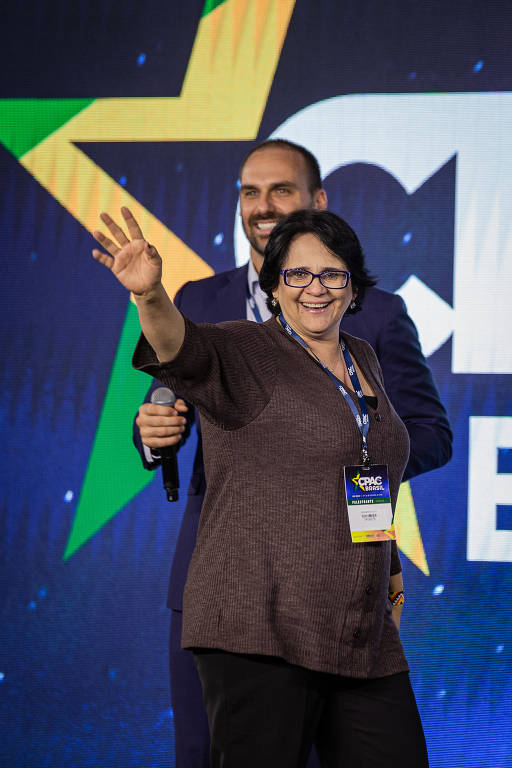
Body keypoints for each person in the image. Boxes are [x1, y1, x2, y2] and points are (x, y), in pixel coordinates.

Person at [132, 139, 451, 768]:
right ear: (276, 284)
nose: (315, 287)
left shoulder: (367, 342)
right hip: (247, 593)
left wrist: (365, 531)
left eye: (332, 275)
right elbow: (180, 359)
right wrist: (150, 299)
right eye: (250, 191)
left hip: (352, 597)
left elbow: (393, 447)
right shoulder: (230, 328)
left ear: (352, 286)